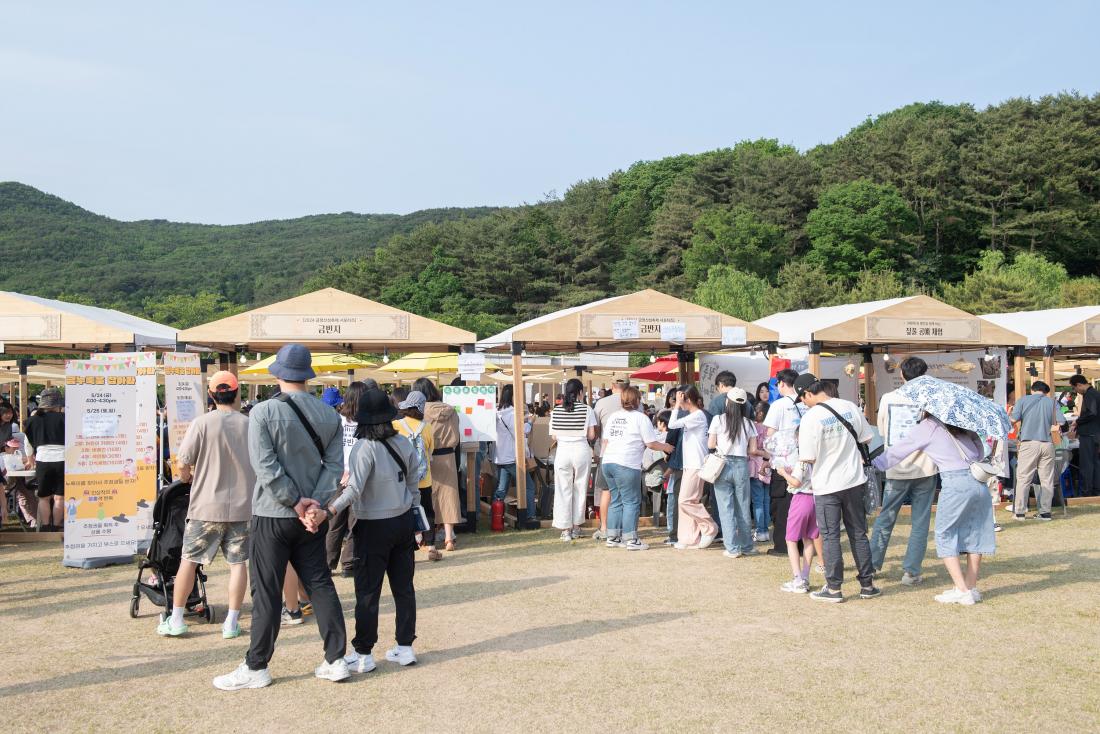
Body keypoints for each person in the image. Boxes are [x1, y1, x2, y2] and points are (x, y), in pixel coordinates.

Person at [213, 344, 348, 691]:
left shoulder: (262, 411)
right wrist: (313, 505)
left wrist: (293, 501)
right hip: (312, 518)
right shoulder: (329, 415)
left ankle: (257, 665)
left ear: (278, 373)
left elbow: (265, 466)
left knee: (267, 590)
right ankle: (335, 659)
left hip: (273, 512)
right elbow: (335, 468)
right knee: (320, 584)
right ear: (308, 375)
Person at [322, 387, 422, 672]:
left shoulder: (363, 448)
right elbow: (414, 481)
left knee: (368, 591)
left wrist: (330, 510)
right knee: (404, 589)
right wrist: (413, 507)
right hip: (403, 521)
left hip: (372, 525)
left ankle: (364, 653)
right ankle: (405, 647)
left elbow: (353, 490)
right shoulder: (403, 442)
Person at [160, 371, 256, 638]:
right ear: (236, 394)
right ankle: (231, 622)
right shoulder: (249, 424)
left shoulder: (201, 423)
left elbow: (182, 462)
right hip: (242, 506)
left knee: (189, 561)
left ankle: (177, 619)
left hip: (205, 505)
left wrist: (187, 479)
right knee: (238, 564)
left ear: (211, 395)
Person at [874, 413, 996, 606]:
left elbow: (900, 450)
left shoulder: (929, 426)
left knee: (944, 534)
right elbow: (980, 450)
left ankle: (962, 591)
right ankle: (971, 588)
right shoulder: (960, 424)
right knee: (975, 534)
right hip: (978, 481)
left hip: (955, 482)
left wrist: (875, 463)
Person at [797, 380, 880, 603]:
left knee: (831, 536)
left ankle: (834, 588)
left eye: (803, 399)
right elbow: (867, 437)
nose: (804, 404)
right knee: (858, 533)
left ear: (807, 393)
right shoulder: (850, 406)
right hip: (853, 480)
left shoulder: (810, 418)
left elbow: (808, 456)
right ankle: (867, 585)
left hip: (826, 485)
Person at [869, 357, 938, 585]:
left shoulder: (888, 399)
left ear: (902, 375)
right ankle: (911, 571)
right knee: (920, 521)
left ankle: (872, 565)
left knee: (886, 517)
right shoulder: (930, 400)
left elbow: (881, 429)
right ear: (925, 374)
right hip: (926, 466)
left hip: (896, 466)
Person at [600, 386, 673, 550]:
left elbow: (605, 441)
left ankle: (613, 537)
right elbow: (651, 443)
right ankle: (631, 539)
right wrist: (666, 447)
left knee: (616, 500)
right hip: (626, 463)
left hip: (608, 461)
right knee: (631, 501)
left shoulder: (614, 417)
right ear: (638, 400)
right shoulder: (641, 418)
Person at [707, 387, 759, 558]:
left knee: (725, 508)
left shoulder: (718, 420)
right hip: (741, 465)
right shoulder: (749, 423)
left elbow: (710, 444)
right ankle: (747, 546)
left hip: (722, 465)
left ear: (727, 402)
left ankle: (732, 548)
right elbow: (753, 450)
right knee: (743, 507)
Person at [414, 378, 464, 552]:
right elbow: (457, 435)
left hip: (427, 457)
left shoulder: (420, 412)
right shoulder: (451, 410)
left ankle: (427, 539)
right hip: (449, 456)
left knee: (428, 497)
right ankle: (449, 537)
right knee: (449, 496)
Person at [326, 381, 368, 576]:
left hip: (336, 476)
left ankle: (328, 562)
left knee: (334, 522)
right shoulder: (367, 422)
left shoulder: (336, 420)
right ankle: (348, 563)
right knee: (355, 522)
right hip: (359, 477)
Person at [393, 390, 441, 560]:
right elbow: (430, 450)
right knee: (427, 511)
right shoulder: (426, 427)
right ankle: (431, 545)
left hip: (403, 478)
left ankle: (407, 543)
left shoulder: (397, 425)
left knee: (404, 511)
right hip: (424, 478)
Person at [669, 386, 718, 550]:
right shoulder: (694, 415)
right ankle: (688, 538)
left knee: (685, 500)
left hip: (696, 464)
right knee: (687, 501)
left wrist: (676, 407)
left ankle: (709, 527)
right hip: (690, 464)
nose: (679, 402)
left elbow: (672, 424)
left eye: (680, 398)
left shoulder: (697, 415)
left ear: (687, 399)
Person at [762, 369, 805, 556]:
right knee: (802, 502)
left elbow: (770, 434)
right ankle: (802, 544)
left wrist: (767, 459)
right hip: (804, 460)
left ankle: (782, 545)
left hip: (783, 462)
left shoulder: (779, 405)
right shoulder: (806, 402)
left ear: (781, 383)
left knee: (781, 504)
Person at [1011, 380, 1067, 519]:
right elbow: (1061, 422)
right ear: (1046, 392)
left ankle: (1020, 512)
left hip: (1029, 443)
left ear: (1032, 390)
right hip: (1048, 444)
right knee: (1046, 479)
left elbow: (1013, 419)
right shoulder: (1052, 402)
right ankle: (1045, 512)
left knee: (1024, 478)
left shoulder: (1023, 400)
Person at [548, 378, 596, 541]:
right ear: (580, 393)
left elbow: (554, 435)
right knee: (580, 488)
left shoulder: (556, 410)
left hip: (563, 451)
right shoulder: (587, 409)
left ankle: (565, 529)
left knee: (563, 489)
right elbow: (591, 435)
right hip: (581, 450)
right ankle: (576, 527)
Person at [774, 449, 823, 593]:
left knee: (791, 540)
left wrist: (783, 473)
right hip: (815, 499)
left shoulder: (803, 461)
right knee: (808, 539)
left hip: (800, 499)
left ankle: (797, 579)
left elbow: (796, 482)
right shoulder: (819, 458)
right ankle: (805, 577)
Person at [492, 384, 537, 524]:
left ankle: (495, 517)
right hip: (513, 457)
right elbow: (523, 431)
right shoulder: (512, 413)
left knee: (501, 490)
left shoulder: (496, 412)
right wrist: (530, 421)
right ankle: (529, 515)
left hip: (500, 457)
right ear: (513, 396)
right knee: (528, 486)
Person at [25, 387, 65, 532]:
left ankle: (46, 526)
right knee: (60, 497)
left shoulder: (32, 421)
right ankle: (56, 526)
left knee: (43, 497)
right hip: (63, 459)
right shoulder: (66, 419)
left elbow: (28, 445)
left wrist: (30, 460)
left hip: (43, 460)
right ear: (58, 404)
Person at [591, 380, 626, 539]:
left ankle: (605, 528)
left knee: (606, 492)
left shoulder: (601, 403)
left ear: (612, 386)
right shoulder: (634, 402)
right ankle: (624, 529)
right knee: (627, 495)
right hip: (628, 455)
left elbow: (596, 432)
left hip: (607, 454)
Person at [661, 386, 686, 545]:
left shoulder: (680, 415)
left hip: (680, 463)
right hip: (698, 464)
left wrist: (668, 454)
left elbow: (671, 438)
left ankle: (675, 535)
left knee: (678, 499)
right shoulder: (705, 414)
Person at [1068, 375, 1099, 496]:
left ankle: (1087, 492)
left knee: (1087, 464)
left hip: (1089, 434)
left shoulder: (1090, 394)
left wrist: (1078, 421)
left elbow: (1092, 412)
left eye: (1074, 389)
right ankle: (1096, 491)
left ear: (1079, 385)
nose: (1076, 392)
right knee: (1095, 463)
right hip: (1095, 433)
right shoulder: (1094, 393)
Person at [749, 401, 771, 543]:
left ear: (760, 413)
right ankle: (766, 530)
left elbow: (752, 450)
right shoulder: (770, 429)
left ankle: (760, 530)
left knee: (757, 501)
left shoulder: (753, 428)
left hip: (755, 468)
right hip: (767, 467)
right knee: (766, 500)